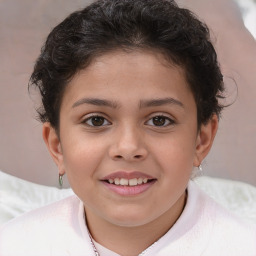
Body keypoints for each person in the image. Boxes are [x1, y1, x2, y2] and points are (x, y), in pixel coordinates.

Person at [0, 0, 255, 255]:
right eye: (96, 120)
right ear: (57, 146)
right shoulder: (14, 245)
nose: (128, 148)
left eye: (159, 120)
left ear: (202, 139)